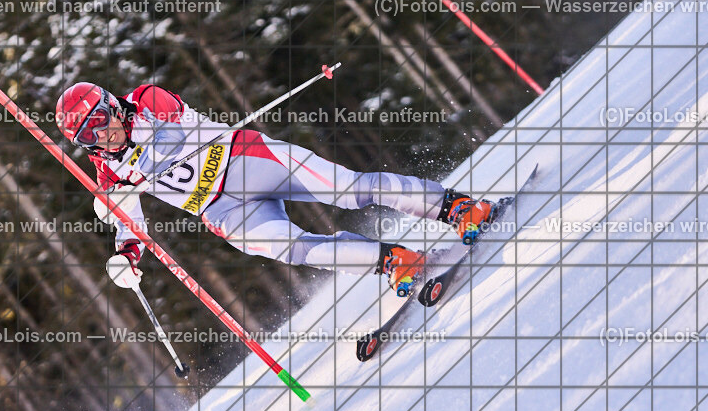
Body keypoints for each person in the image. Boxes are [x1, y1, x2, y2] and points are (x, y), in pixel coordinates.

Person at [54, 82, 495, 295]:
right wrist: (127, 254)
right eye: (89, 138)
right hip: (220, 208)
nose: (103, 138)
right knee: (292, 248)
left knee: (349, 190)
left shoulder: (145, 100)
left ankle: (456, 208)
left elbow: (169, 123)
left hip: (246, 160)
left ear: (112, 106)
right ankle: (392, 260)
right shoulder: (106, 170)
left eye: (101, 125)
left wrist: (135, 165)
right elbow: (130, 224)